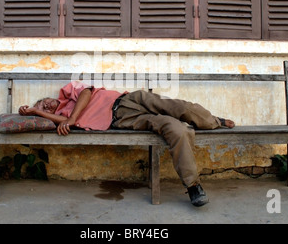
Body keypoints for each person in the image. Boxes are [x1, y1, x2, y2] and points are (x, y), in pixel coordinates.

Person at [19, 81, 235, 207]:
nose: (47, 105)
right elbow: (59, 121)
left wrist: (71, 118)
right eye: (45, 108)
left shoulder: (68, 94)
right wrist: (38, 112)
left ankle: (213, 121)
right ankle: (193, 186)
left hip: (127, 100)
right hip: (122, 121)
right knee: (174, 128)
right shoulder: (61, 118)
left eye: (44, 101)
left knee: (178, 107)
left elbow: (86, 92)